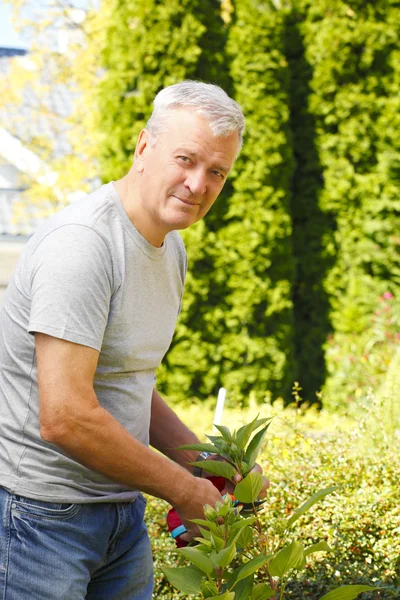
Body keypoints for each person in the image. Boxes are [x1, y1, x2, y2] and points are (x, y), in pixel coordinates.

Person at [0, 80, 268, 599]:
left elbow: (125, 382)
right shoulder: (82, 247)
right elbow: (66, 416)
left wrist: (214, 467)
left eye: (217, 171)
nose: (198, 184)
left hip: (120, 511)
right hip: (40, 521)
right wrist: (185, 491)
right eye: (185, 159)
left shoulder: (169, 247)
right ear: (144, 146)